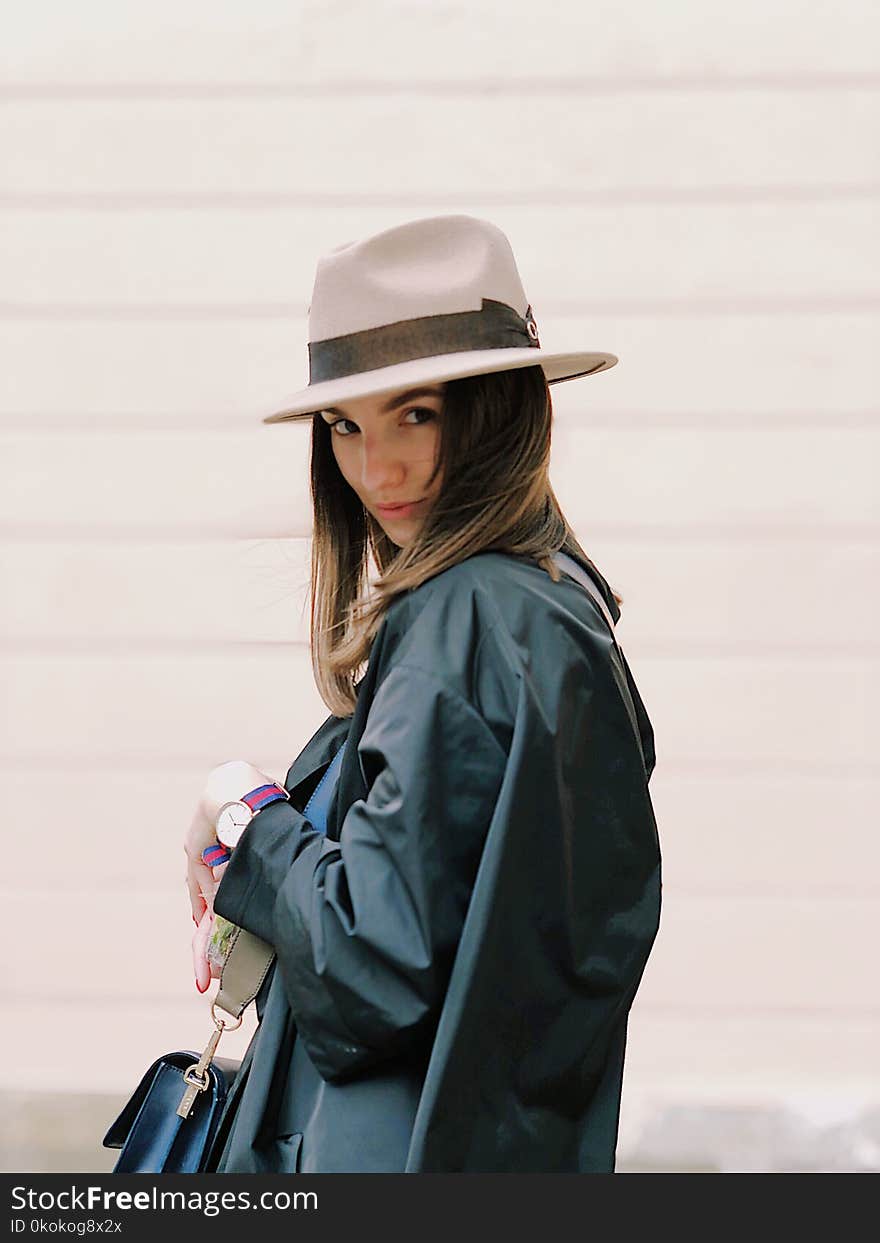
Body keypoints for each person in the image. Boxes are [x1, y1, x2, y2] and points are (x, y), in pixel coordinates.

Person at [183, 214, 662, 1173]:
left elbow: (371, 967)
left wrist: (245, 816)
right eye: (346, 425)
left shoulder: (465, 613)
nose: (378, 468)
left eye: (420, 412)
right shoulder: (557, 608)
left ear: (500, 411)